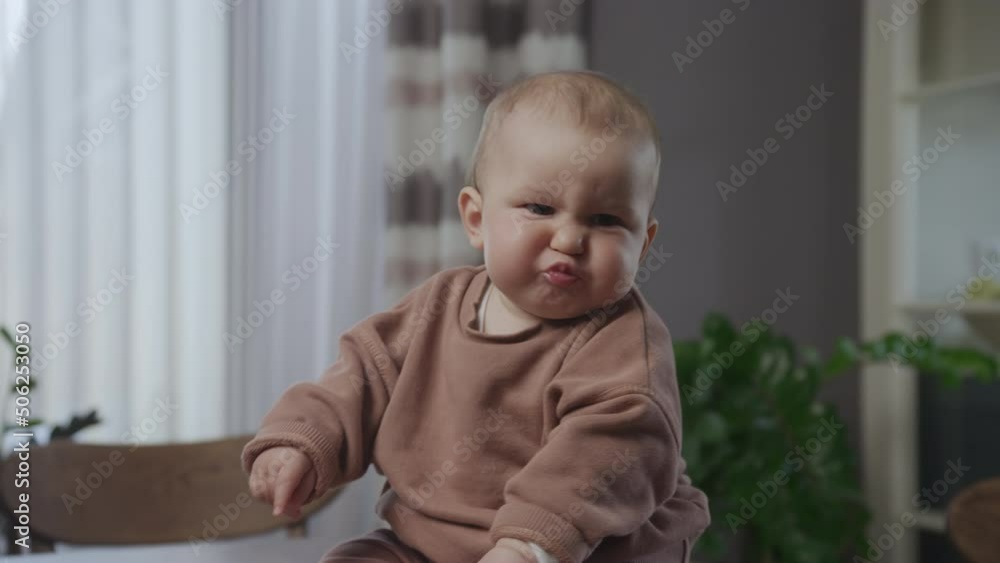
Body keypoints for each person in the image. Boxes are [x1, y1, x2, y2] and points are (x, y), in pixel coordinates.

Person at [242, 70, 710, 563]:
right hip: (434, 540)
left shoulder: (622, 344)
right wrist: (302, 440)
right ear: (475, 219)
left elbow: (607, 454)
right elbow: (361, 375)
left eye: (606, 220)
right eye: (540, 207)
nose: (570, 239)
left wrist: (529, 546)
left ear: (645, 241)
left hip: (588, 544)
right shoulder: (438, 305)